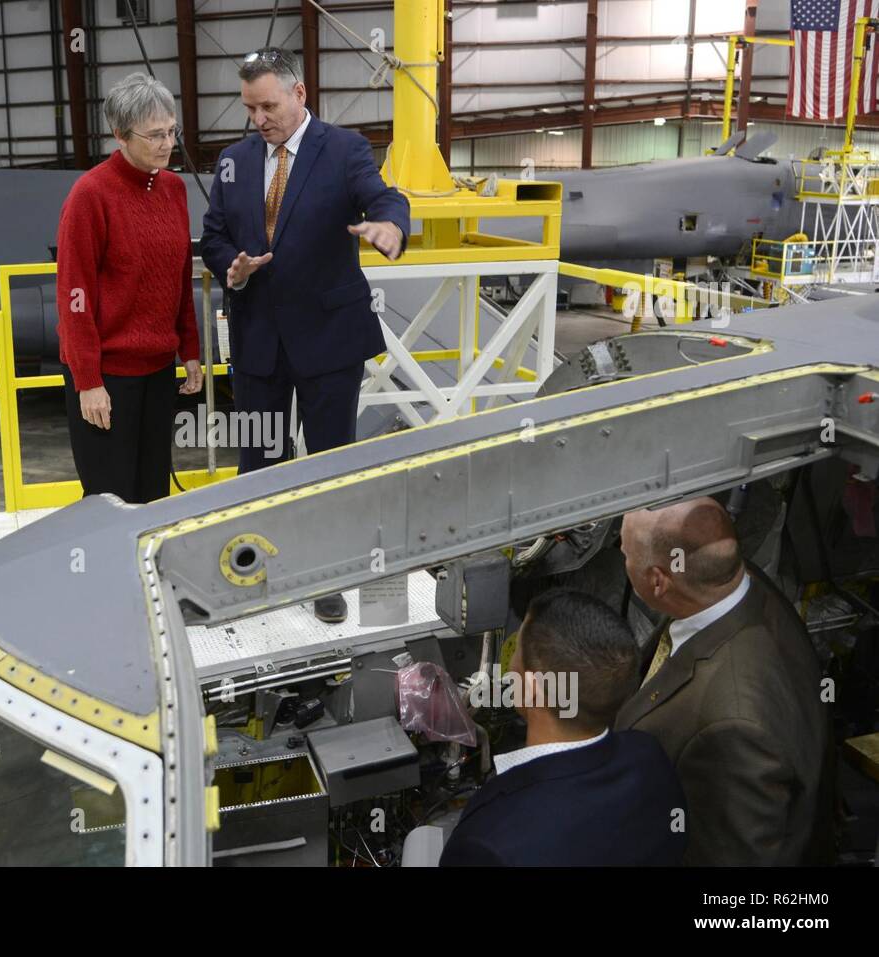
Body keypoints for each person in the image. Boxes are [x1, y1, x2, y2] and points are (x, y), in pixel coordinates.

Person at [201, 46, 411, 623]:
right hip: (257, 342)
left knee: (327, 464)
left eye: (267, 105)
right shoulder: (234, 161)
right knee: (259, 459)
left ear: (299, 94)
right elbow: (214, 235)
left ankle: (327, 579)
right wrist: (230, 268)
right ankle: (255, 573)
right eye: (249, 108)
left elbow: (383, 196)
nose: (258, 119)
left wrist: (389, 224)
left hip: (328, 341)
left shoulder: (343, 150)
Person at [615, 496, 834, 865]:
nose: (623, 560)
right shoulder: (735, 583)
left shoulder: (735, 726)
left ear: (658, 581)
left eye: (626, 554)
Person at [437, 589, 686, 866]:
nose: (509, 670)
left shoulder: (487, 843)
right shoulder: (650, 757)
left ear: (531, 690)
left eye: (517, 653)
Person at [55, 72, 202, 504]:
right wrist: (88, 380)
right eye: (154, 135)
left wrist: (189, 352)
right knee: (109, 497)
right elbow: (73, 296)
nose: (166, 143)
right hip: (108, 376)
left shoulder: (173, 189)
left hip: (157, 372)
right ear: (120, 135)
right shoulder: (90, 195)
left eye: (172, 131)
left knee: (152, 491)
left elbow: (178, 275)